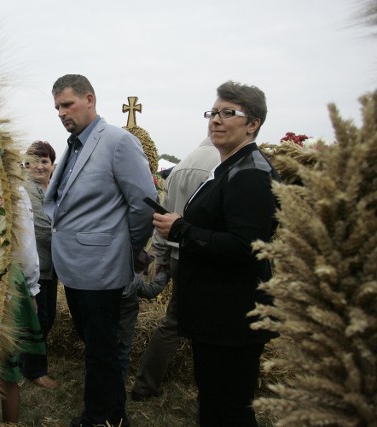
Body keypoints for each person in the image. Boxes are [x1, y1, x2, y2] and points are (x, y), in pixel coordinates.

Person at [154, 81, 279, 426]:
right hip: (217, 315)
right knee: (215, 401)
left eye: (228, 113)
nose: (216, 121)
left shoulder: (251, 174)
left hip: (232, 319)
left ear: (252, 123)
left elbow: (244, 247)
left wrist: (181, 230)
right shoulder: (229, 167)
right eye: (213, 113)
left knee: (230, 408)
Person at [44, 74, 157, 427]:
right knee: (98, 348)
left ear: (89, 99)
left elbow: (143, 206)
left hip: (103, 269)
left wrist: (125, 250)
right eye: (57, 107)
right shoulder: (74, 145)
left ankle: (96, 418)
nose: (62, 113)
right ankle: (115, 414)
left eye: (68, 104)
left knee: (100, 352)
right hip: (76, 268)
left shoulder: (117, 142)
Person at [130, 136, 220, 401]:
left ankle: (146, 382)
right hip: (204, 254)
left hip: (179, 255)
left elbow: (163, 220)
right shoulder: (220, 166)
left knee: (173, 322)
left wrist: (158, 257)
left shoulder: (181, 167)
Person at [1, 185, 43, 424]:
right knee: (7, 366)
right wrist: (31, 289)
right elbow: (25, 246)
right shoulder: (11, 185)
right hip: (1, 282)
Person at [21, 140, 59, 389]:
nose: (39, 166)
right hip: (35, 266)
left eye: (44, 161)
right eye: (34, 160)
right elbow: (44, 228)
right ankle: (34, 370)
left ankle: (27, 362)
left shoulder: (51, 189)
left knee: (48, 316)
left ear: (52, 165)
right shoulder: (28, 189)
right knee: (39, 319)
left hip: (50, 266)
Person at [117, 249, 169, 383]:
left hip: (104, 324)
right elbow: (151, 291)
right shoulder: (134, 280)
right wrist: (164, 273)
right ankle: (118, 385)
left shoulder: (104, 273)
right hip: (125, 328)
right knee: (122, 354)